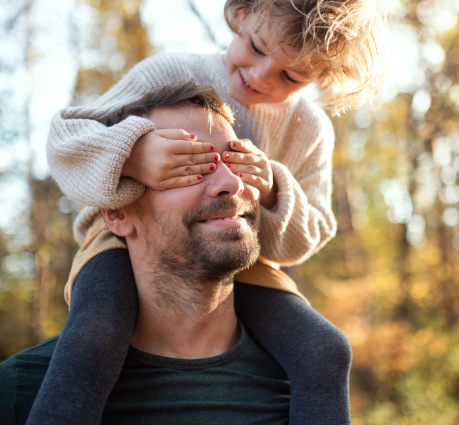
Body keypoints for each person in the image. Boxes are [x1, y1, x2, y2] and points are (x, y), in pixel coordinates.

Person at [33, 1, 385, 424]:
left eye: (290, 75)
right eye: (255, 47)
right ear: (241, 14)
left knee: (324, 349)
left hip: (241, 255)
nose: (259, 75)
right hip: (124, 237)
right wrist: (133, 152)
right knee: (96, 334)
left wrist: (272, 190)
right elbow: (66, 135)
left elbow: (305, 239)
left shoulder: (308, 130)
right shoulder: (168, 73)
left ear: (320, 78)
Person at [0, 86, 293, 424]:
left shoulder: (296, 388)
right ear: (119, 214)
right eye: (189, 163)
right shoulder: (19, 391)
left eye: (236, 161)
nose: (231, 183)